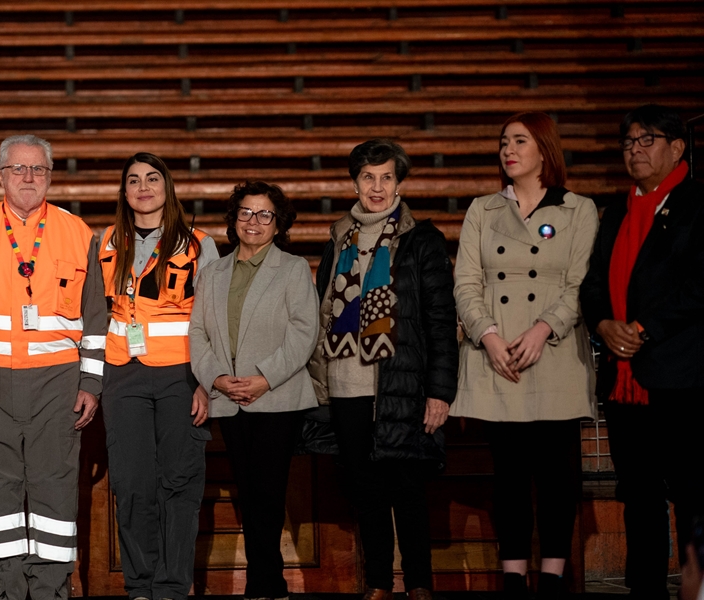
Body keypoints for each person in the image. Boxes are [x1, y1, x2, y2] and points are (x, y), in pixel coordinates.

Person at [451, 113, 598, 600]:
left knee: (558, 475)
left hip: (554, 354)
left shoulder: (579, 209)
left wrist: (545, 328)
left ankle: (552, 577)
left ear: (545, 150)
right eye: (503, 142)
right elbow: (467, 282)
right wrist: (488, 336)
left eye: (519, 141)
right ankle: (513, 576)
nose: (507, 150)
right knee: (509, 476)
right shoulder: (483, 209)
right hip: (498, 356)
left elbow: (580, 283)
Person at [0, 134, 106, 600]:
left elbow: (96, 317)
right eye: (18, 169)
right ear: (1, 175)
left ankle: (50, 588)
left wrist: (91, 382)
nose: (27, 177)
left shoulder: (77, 232)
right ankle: (1, 588)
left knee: (54, 488)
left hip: (57, 383)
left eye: (37, 169)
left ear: (50, 176)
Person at [312, 140, 457, 600]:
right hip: (345, 382)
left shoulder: (422, 239)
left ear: (399, 182)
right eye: (368, 178)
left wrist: (440, 392)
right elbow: (323, 314)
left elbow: (439, 319)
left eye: (386, 177)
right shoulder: (339, 237)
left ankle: (418, 583)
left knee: (407, 488)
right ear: (354, 182)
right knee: (366, 490)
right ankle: (378, 582)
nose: (377, 187)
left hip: (401, 383)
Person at [580, 104, 704, 600]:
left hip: (681, 374)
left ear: (676, 147)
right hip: (624, 378)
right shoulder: (615, 211)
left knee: (694, 494)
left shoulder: (698, 204)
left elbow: (698, 286)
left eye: (646, 139)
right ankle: (645, 590)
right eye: (629, 142)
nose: (635, 149)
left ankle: (696, 589)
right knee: (639, 497)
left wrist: (643, 329)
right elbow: (592, 285)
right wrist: (604, 324)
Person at [189, 180, 318, 600]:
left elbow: (304, 332)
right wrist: (217, 379)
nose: (254, 221)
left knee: (268, 491)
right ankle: (265, 580)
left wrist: (264, 378)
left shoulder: (294, 268)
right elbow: (198, 334)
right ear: (234, 219)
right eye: (246, 212)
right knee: (248, 489)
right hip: (229, 398)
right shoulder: (212, 273)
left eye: (265, 214)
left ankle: (267, 582)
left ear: (278, 224)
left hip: (276, 397)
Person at [98, 153, 218, 600]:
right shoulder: (106, 242)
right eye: (133, 180)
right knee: (131, 483)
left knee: (180, 482)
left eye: (152, 179)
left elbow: (212, 322)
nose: (143, 187)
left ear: (167, 188)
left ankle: (172, 587)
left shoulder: (199, 244)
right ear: (124, 191)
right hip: (122, 375)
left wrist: (206, 381)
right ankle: (140, 586)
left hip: (180, 376)